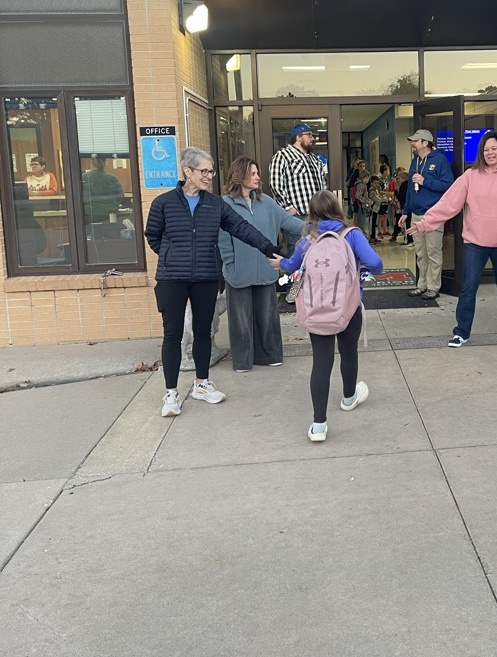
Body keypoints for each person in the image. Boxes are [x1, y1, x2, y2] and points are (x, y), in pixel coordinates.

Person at [145, 147, 283, 417]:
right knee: (172, 335)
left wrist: (268, 248)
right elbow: (153, 237)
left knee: (203, 331)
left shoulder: (215, 204)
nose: (209, 176)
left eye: (211, 171)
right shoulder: (163, 204)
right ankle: (171, 393)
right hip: (172, 278)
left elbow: (242, 228)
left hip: (206, 277)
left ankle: (201, 384)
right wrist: (174, 255)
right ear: (188, 172)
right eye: (204, 171)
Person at [269, 190, 383, 442]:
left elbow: (292, 265)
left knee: (321, 362)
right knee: (348, 351)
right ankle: (349, 397)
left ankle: (319, 425)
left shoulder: (308, 239)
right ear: (337, 208)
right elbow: (376, 264)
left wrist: (282, 264)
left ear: (314, 213)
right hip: (348, 307)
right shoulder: (351, 234)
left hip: (317, 309)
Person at [409, 130, 497, 347]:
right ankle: (461, 332)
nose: (490, 153)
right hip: (475, 243)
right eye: (486, 149)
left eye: (494, 148)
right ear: (481, 153)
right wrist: (425, 223)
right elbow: (448, 204)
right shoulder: (470, 176)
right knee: (468, 288)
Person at [219, 156, 302, 372]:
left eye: (257, 173)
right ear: (240, 175)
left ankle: (270, 355)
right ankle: (243, 361)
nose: (258, 177)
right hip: (238, 272)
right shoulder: (224, 205)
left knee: (268, 317)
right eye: (253, 173)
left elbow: (292, 223)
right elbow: (223, 241)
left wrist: (322, 230)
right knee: (241, 321)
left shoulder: (267, 202)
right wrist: (231, 264)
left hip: (266, 270)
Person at [398, 129, 454, 299]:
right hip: (416, 214)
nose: (412, 144)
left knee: (433, 252)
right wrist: (406, 211)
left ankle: (434, 287)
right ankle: (421, 285)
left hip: (433, 215)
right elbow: (409, 191)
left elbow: (448, 185)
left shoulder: (440, 160)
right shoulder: (414, 161)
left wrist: (425, 181)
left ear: (425, 143)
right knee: (421, 253)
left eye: (415, 141)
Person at [268, 123, 326, 254]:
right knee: (296, 253)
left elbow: (323, 183)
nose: (312, 138)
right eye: (309, 135)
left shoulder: (314, 159)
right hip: (298, 216)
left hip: (317, 215)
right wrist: (288, 207)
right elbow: (275, 184)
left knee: (316, 254)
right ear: (298, 137)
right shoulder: (283, 156)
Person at [81, 158, 124, 223]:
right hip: (110, 213)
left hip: (88, 212)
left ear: (91, 163)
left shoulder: (83, 177)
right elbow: (120, 196)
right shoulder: (112, 178)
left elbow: (78, 196)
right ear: (105, 164)